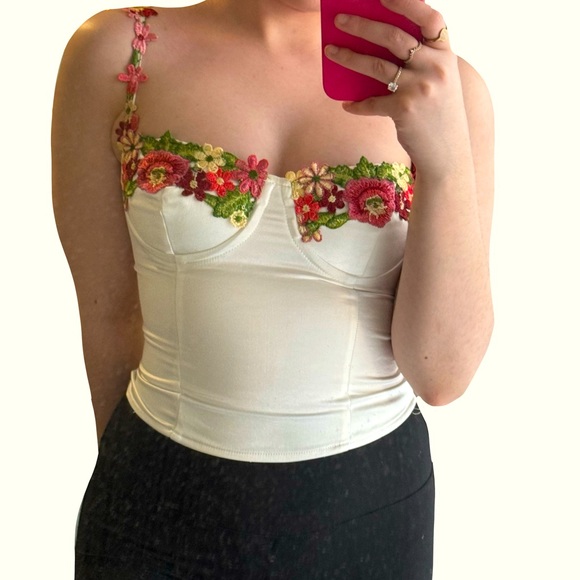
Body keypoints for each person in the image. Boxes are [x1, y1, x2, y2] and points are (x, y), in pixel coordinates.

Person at [52, 0, 494, 578]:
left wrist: (445, 163)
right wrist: (142, 490)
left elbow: (442, 376)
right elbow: (108, 319)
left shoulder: (447, 91)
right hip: (153, 504)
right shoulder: (118, 52)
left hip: (368, 514)